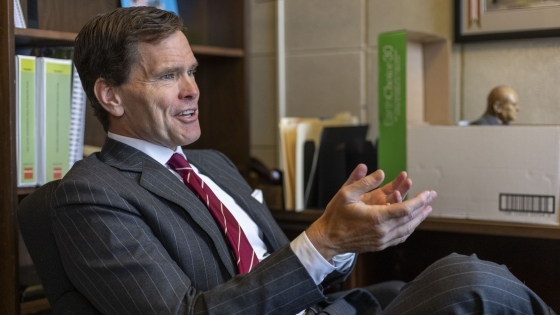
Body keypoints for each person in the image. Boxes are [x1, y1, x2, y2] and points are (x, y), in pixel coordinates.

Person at [51, 7, 554, 315]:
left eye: (193, 72)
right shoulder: (93, 193)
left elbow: (297, 273)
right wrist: (322, 240)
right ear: (110, 96)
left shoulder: (214, 165)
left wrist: (343, 242)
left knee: (465, 275)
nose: (192, 91)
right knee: (473, 284)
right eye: (167, 77)